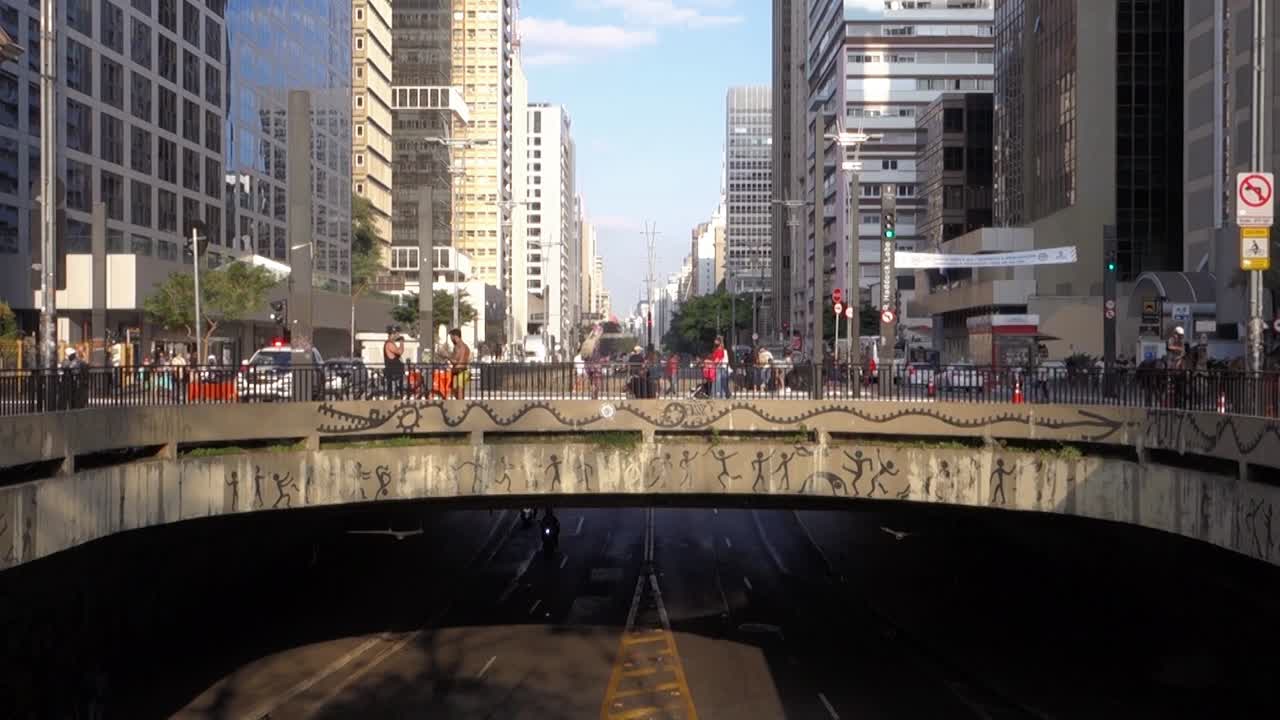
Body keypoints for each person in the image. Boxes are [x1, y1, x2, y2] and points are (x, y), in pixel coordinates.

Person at [448, 328, 471, 400]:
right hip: (458, 371)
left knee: (459, 388)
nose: (451, 340)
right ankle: (460, 402)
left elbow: (459, 362)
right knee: (455, 389)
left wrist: (446, 356)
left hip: (462, 371)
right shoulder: (458, 347)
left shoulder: (461, 347)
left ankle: (460, 404)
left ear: (455, 336)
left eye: (451, 337)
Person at [383, 327, 405, 397]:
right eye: (397, 334)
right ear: (392, 334)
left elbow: (398, 354)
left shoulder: (392, 343)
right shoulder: (389, 344)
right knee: (393, 392)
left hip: (397, 372)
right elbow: (400, 352)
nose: (398, 336)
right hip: (393, 372)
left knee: (400, 390)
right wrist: (401, 342)